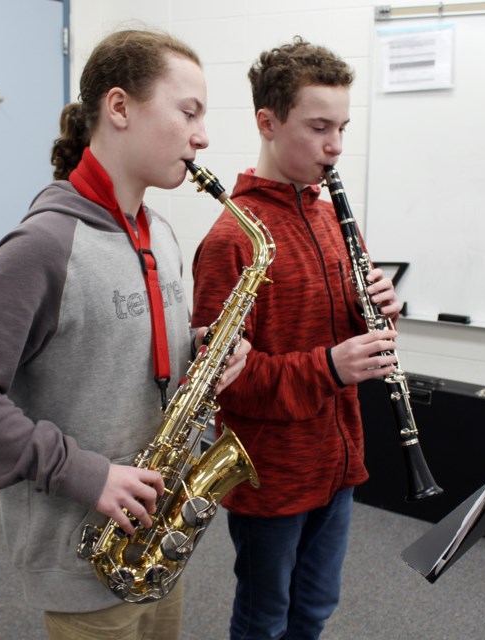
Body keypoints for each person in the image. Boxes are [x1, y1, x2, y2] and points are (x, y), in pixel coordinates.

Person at [0, 29, 249, 640]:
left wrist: (203, 349)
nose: (202, 135)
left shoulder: (160, 230)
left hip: (156, 539)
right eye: (189, 112)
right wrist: (87, 474)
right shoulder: (44, 245)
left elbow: (116, 341)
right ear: (120, 108)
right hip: (81, 555)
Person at [190, 37, 403, 640]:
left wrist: (381, 316)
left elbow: (357, 335)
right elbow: (227, 386)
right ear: (268, 121)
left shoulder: (332, 217)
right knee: (265, 619)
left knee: (313, 612)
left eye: (342, 126)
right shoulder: (232, 239)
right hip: (272, 475)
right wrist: (331, 367)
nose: (334, 145)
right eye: (317, 127)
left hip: (338, 460)